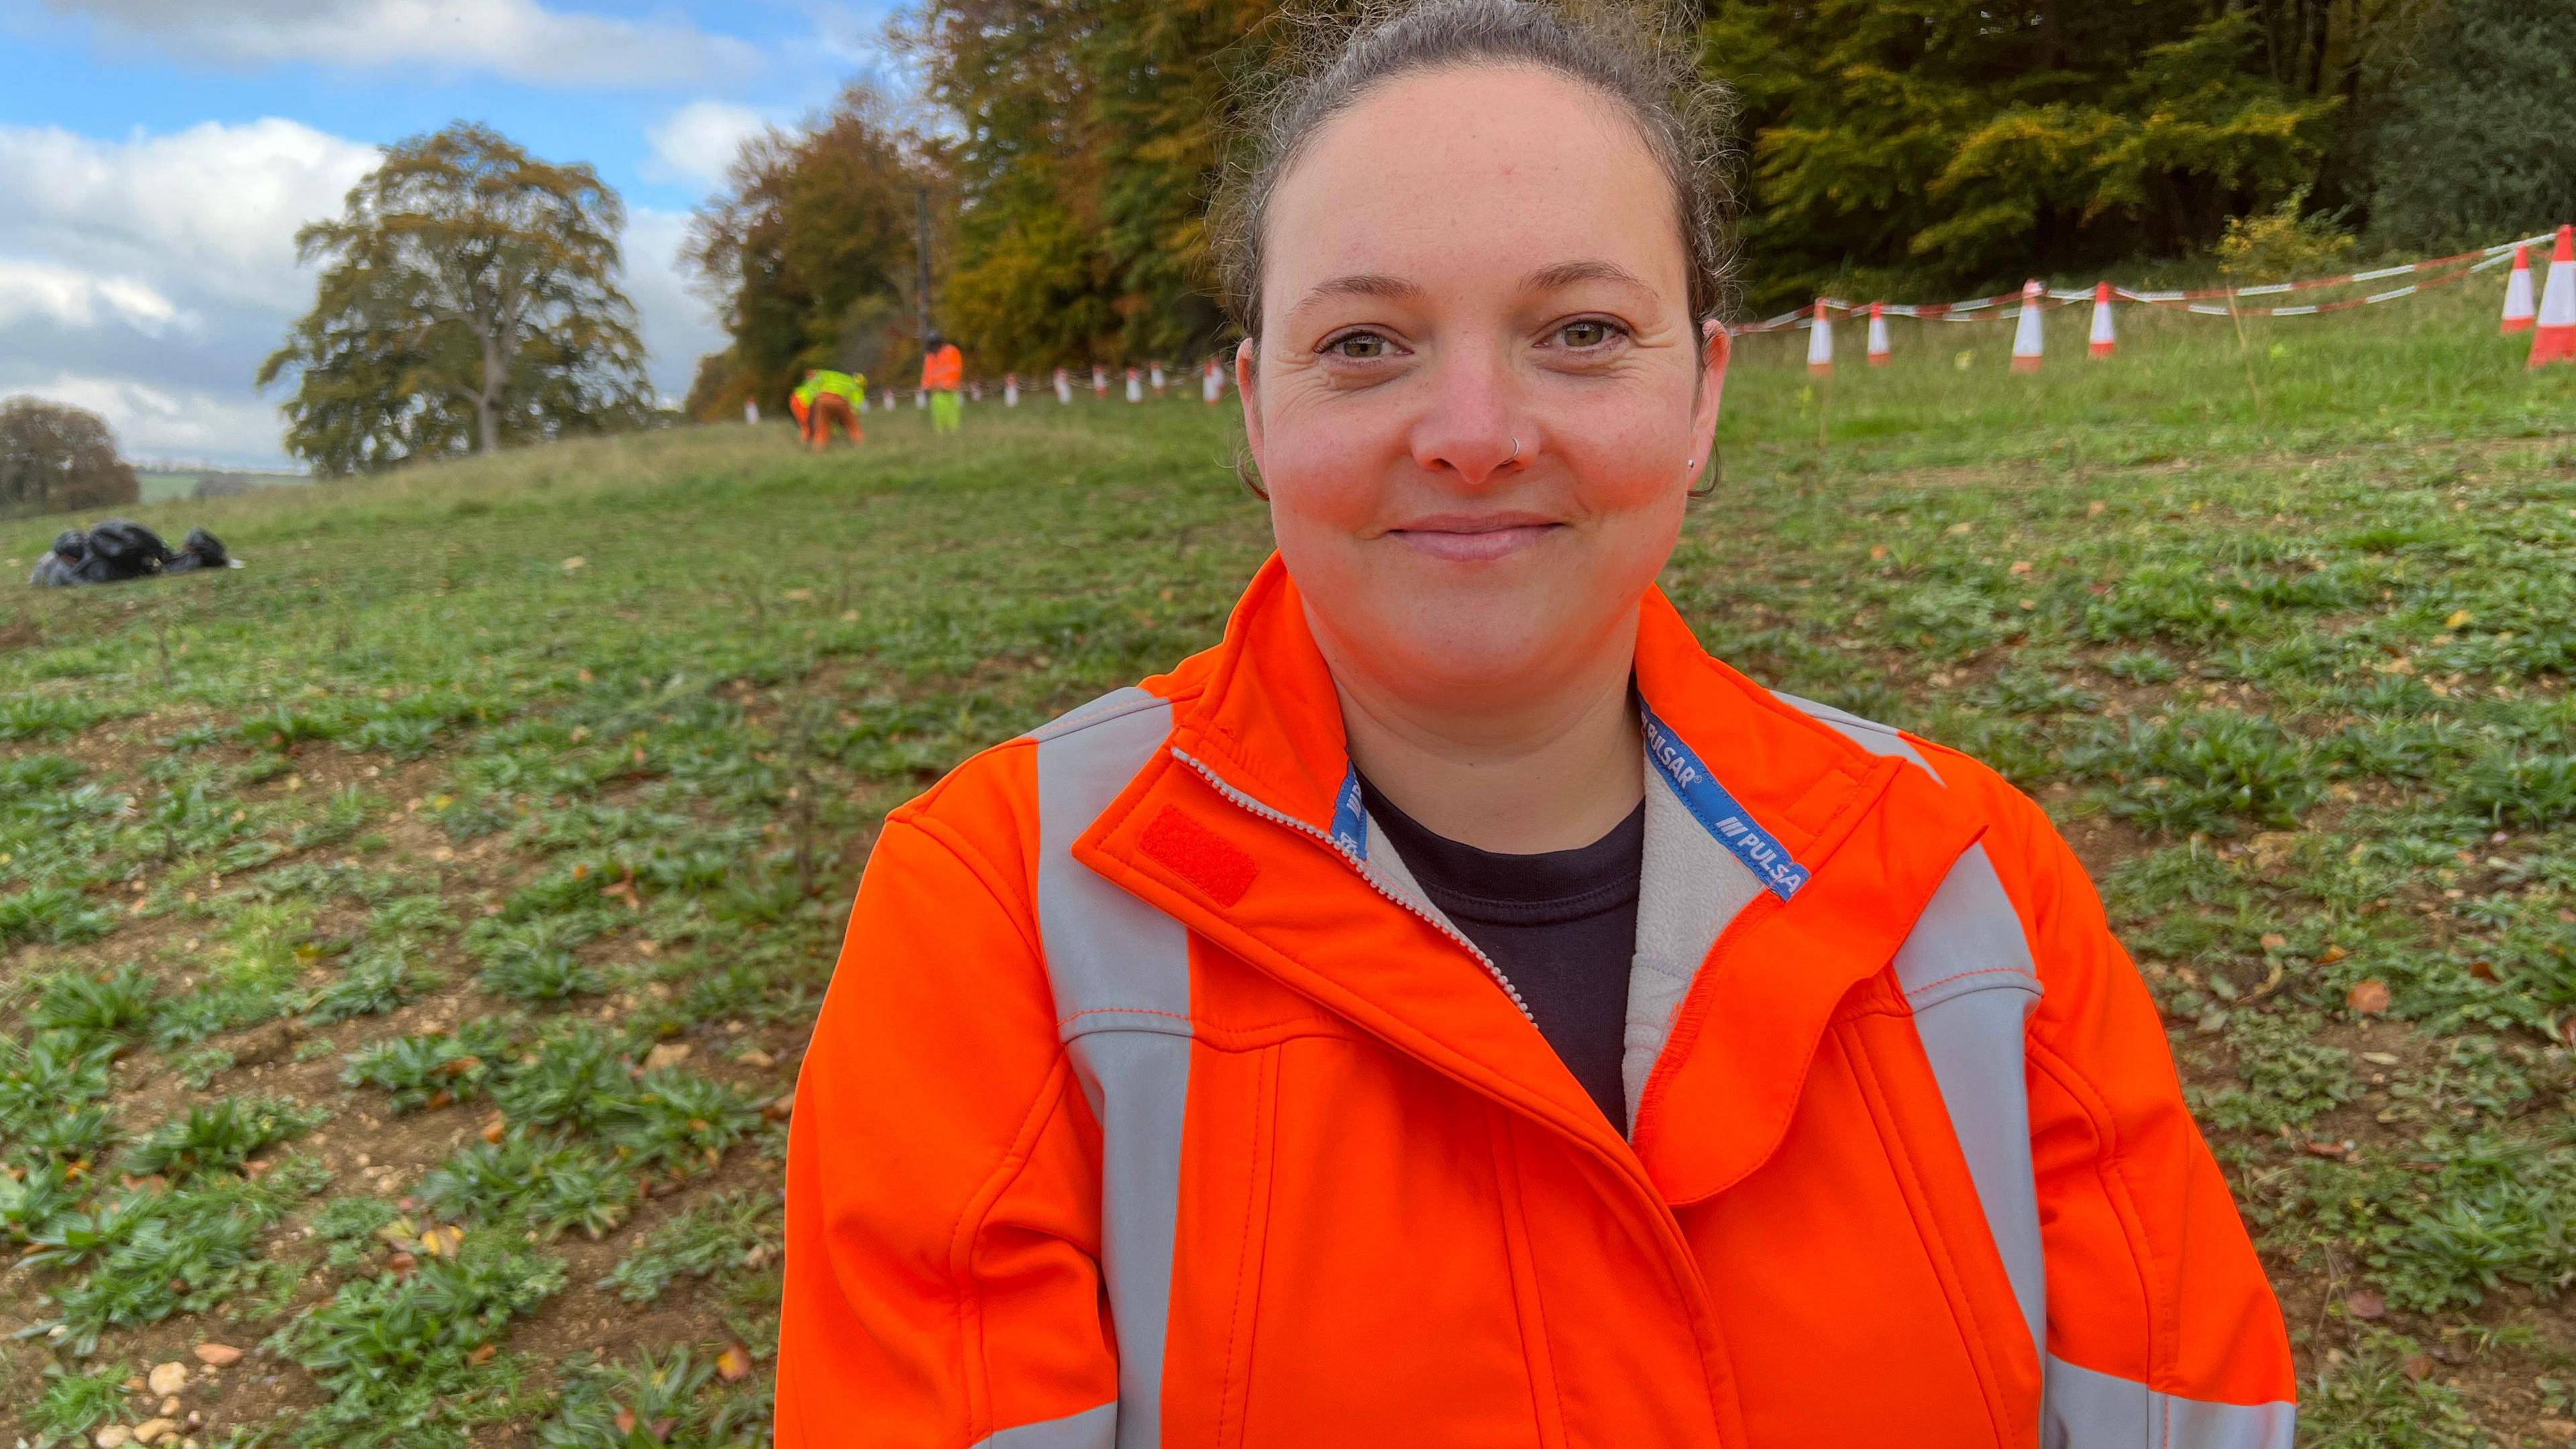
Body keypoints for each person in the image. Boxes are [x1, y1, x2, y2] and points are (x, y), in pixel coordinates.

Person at [776, 3, 2296, 1446]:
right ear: (1253, 411)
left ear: (1703, 390)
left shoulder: (1978, 883)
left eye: (1576, 329)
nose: (1474, 435)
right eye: (1363, 344)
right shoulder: (997, 905)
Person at [790, 368, 865, 451]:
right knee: (853, 426)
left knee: (820, 427)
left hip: (816, 400)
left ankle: (818, 450)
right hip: (808, 401)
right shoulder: (856, 387)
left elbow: (813, 378)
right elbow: (855, 409)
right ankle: (861, 446)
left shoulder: (831, 375)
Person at [920, 332, 964, 435]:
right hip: (936, 393)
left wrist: (948, 385)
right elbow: (927, 374)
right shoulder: (929, 357)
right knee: (938, 416)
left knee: (952, 415)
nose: (934, 349)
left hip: (951, 391)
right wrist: (925, 388)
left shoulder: (951, 352)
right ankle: (940, 435)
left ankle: (954, 434)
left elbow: (956, 370)